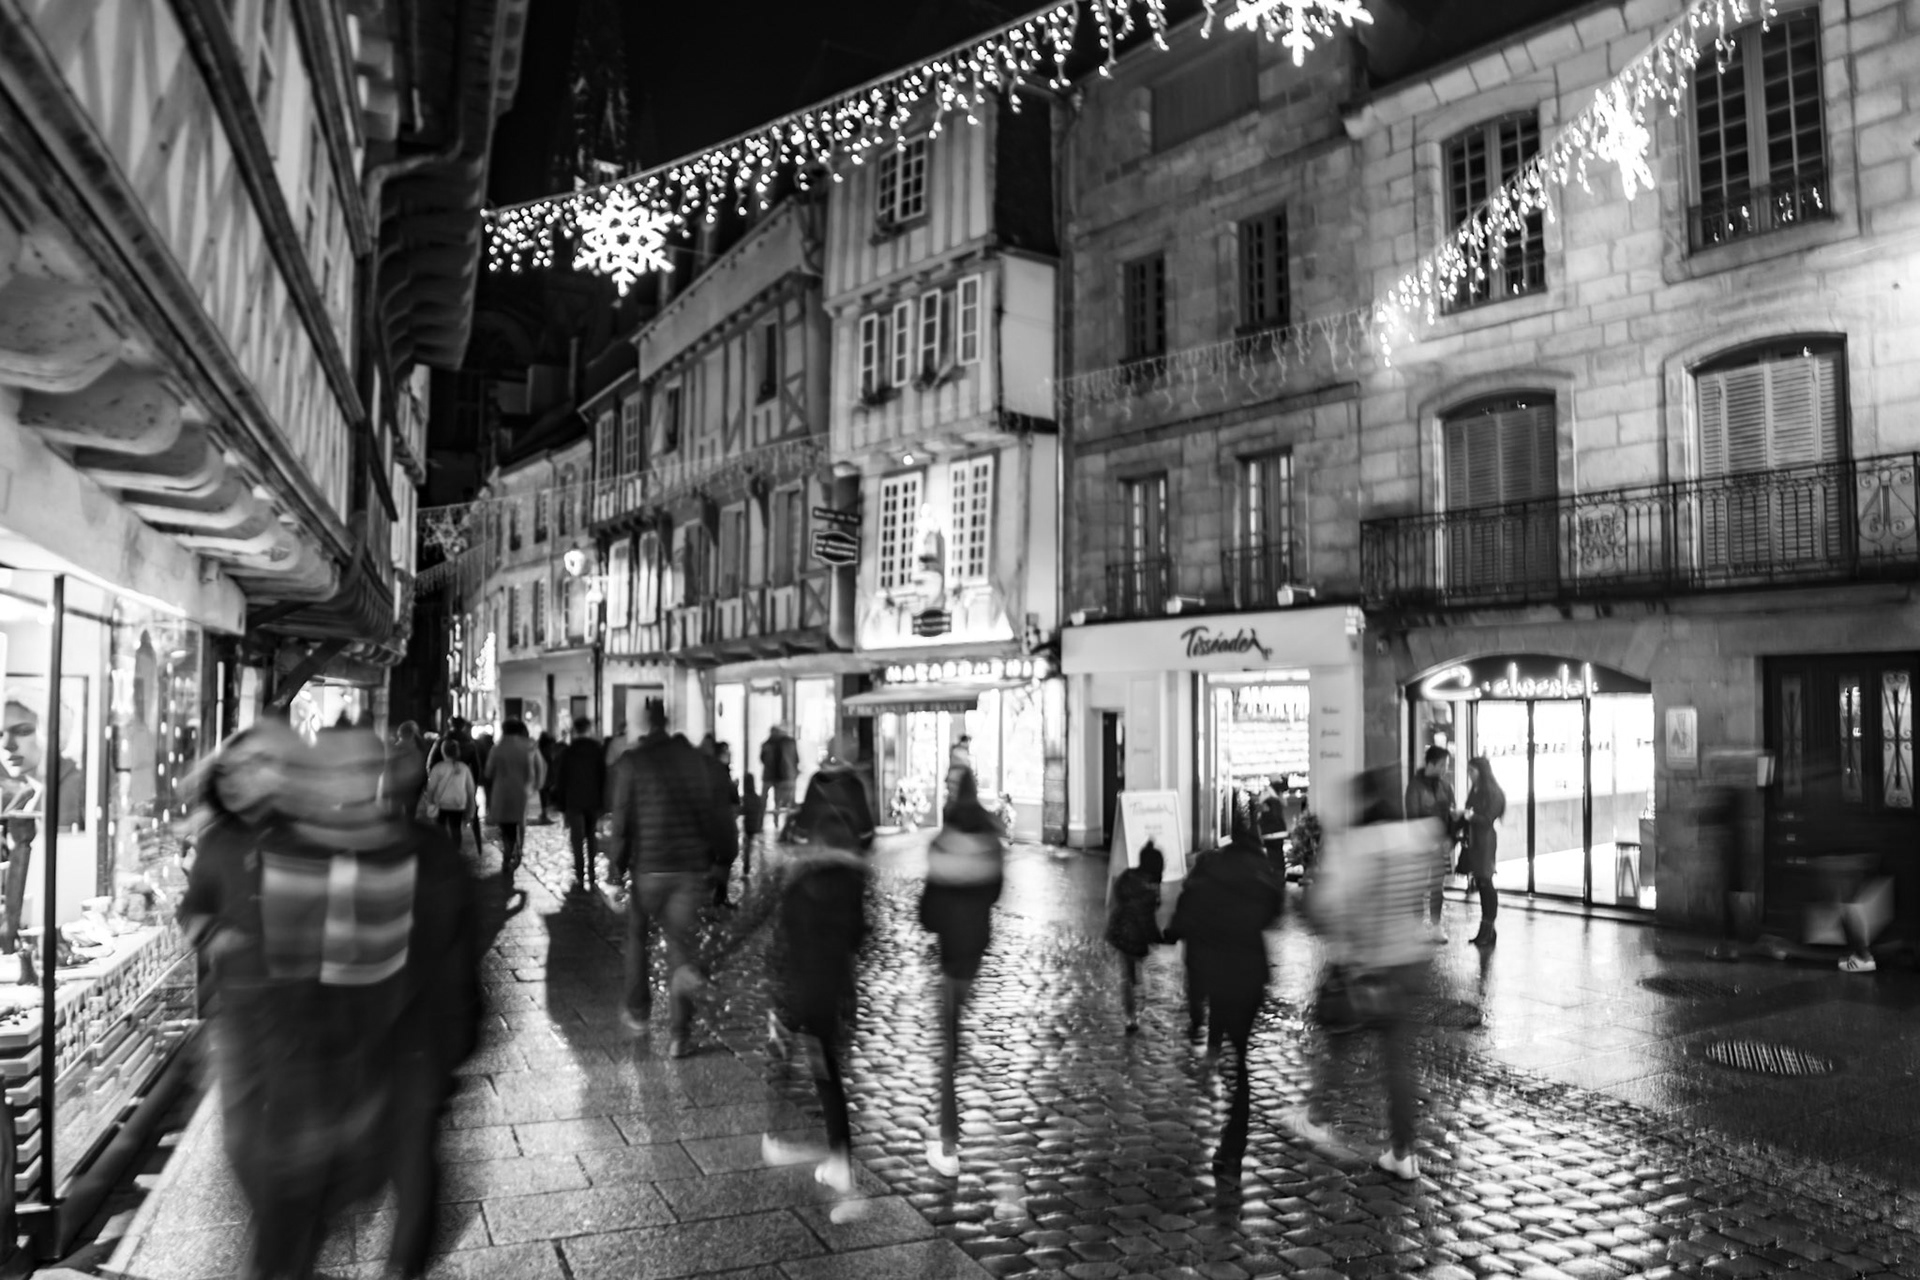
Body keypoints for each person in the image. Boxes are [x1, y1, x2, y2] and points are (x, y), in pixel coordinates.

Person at [711, 796, 872, 1217]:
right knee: (827, 1074)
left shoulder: (790, 875)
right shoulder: (852, 881)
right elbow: (858, 939)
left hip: (791, 990)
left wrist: (711, 957)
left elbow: (751, 919)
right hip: (829, 992)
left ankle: (775, 1137)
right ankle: (840, 1163)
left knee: (780, 1058)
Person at [1286, 766, 1442, 1181]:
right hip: (1410, 963)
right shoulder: (1416, 839)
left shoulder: (1358, 847)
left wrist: (1308, 907)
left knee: (1340, 1041)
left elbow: (1331, 905)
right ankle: (1403, 1152)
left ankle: (1318, 1117)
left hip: (1368, 965)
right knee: (1398, 1063)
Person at [1164, 798, 1285, 1189]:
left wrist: (1173, 930)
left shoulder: (1212, 864)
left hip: (1215, 969)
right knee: (1241, 1058)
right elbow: (1274, 911)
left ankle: (1214, 1051)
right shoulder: (1262, 871)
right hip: (1249, 974)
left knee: (1221, 1017)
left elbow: (1188, 907)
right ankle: (1232, 1148)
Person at [607, 702, 733, 1056]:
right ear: (670, 722)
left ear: (647, 724)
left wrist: (616, 870)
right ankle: (679, 1034)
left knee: (636, 936)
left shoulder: (633, 762)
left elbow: (622, 819)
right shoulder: (696, 762)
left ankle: (638, 1010)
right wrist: (724, 858)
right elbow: (717, 814)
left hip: (649, 868)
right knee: (682, 948)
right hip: (690, 871)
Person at [917, 765, 1005, 1177]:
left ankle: (949, 1145)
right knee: (953, 1034)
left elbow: (928, 913)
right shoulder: (989, 838)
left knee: (948, 1047)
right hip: (976, 947)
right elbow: (995, 891)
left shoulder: (944, 842)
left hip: (952, 951)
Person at [1, 696, 84, 954]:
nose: (7, 745)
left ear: (55, 734)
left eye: (24, 731)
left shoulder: (70, 786)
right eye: (1, 734)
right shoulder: (30, 792)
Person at [1106, 842, 1164, 1035]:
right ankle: (1135, 1010)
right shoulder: (1151, 887)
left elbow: (1117, 897)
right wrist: (1157, 937)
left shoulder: (1128, 876)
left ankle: (1130, 1014)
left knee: (1128, 975)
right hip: (1137, 935)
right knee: (1136, 974)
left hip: (1120, 931)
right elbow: (1147, 918)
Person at [484, 721, 545, 889]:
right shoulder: (528, 747)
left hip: (501, 791)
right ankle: (518, 851)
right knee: (520, 823)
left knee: (506, 826)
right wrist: (536, 786)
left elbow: (489, 771)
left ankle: (508, 851)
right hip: (521, 791)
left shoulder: (497, 748)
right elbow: (538, 768)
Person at [1405, 746, 1456, 941]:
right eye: (1442, 765)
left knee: (1437, 886)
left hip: (1440, 847)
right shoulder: (1415, 786)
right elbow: (1412, 818)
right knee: (1418, 886)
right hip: (1420, 847)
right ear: (1431, 763)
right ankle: (1418, 927)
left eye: (1447, 765)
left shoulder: (1445, 786)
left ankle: (1436, 926)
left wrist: (1451, 838)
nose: (1445, 769)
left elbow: (1451, 816)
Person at [554, 716, 608, 892]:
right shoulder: (597, 750)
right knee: (591, 836)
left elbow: (561, 780)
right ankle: (592, 872)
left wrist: (561, 804)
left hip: (574, 801)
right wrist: (603, 801)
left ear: (575, 731)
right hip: (592, 800)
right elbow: (603, 776)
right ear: (589, 729)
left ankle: (579, 873)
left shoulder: (568, 752)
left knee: (577, 839)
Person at [1463, 756, 1505, 947]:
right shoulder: (1477, 789)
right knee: (1481, 883)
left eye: (1472, 771)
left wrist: (1471, 817)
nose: (1469, 774)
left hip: (1485, 841)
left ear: (1481, 772)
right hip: (1475, 840)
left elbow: (1487, 819)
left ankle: (1487, 928)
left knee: (1485, 882)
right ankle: (1487, 930)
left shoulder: (1492, 792)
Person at [423, 739, 478, 849]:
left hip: (441, 804)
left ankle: (442, 851)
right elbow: (470, 790)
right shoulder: (464, 768)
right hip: (458, 804)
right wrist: (471, 808)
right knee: (456, 829)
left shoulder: (438, 768)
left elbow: (431, 788)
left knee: (440, 829)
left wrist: (430, 804)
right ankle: (455, 852)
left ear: (443, 751)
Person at [709, 741, 743, 907]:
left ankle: (719, 897)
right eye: (726, 752)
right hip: (720, 821)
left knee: (724, 858)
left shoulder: (719, 771)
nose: (729, 755)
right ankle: (716, 898)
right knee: (723, 857)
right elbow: (729, 796)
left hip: (721, 820)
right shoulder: (718, 772)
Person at [386, 721, 430, 819]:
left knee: (395, 816)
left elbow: (389, 769)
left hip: (397, 788)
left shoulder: (395, 749)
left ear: (400, 733)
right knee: (410, 815)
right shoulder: (420, 748)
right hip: (413, 788)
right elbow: (424, 769)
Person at [760, 723, 801, 817]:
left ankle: (763, 818)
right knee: (779, 799)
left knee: (769, 798)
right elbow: (795, 759)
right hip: (780, 775)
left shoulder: (767, 744)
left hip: (771, 775)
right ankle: (776, 818)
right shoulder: (786, 743)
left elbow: (762, 759)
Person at [535, 730, 561, 824]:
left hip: (543, 775)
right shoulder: (547, 751)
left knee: (543, 795)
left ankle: (543, 814)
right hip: (546, 776)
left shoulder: (540, 749)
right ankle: (544, 815)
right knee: (544, 795)